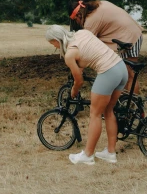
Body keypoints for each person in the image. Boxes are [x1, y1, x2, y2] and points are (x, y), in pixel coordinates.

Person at [45, 25, 128, 165]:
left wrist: (73, 91)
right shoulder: (82, 33)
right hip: (121, 68)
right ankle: (110, 152)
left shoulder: (70, 54)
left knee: (95, 114)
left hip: (108, 72)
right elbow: (90, 52)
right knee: (108, 111)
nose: (53, 46)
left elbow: (79, 81)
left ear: (56, 40)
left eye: (51, 43)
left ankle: (88, 155)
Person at [70, 0, 143, 94]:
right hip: (134, 33)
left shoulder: (90, 21)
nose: (77, 23)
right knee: (128, 75)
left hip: (127, 37)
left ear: (79, 15)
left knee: (128, 75)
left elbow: (84, 47)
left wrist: (78, 70)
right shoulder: (100, 4)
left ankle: (132, 105)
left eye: (76, 20)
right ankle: (128, 102)